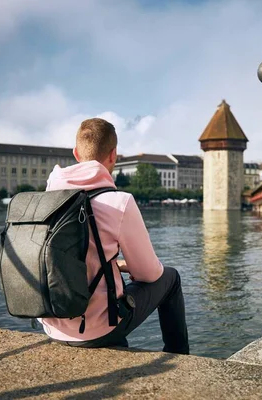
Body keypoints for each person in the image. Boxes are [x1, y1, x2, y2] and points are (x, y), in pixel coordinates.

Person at [39, 118, 189, 355]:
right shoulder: (119, 202)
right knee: (170, 277)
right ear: (113, 156)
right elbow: (149, 274)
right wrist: (125, 266)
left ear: (76, 154)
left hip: (51, 324)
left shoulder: (46, 198)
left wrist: (110, 265)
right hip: (98, 330)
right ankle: (179, 356)